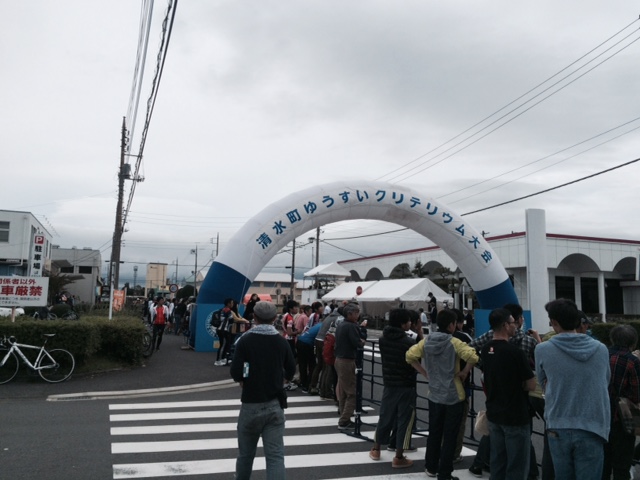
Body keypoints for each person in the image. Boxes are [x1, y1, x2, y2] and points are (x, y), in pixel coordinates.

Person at [535, 298, 610, 480]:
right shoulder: (601, 349)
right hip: (593, 425)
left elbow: (542, 381)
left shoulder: (543, 349)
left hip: (558, 423)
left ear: (554, 322)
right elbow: (605, 381)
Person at [406, 308, 479, 480]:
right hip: (454, 394)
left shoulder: (427, 341)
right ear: (452, 325)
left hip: (434, 393)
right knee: (450, 435)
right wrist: (464, 372)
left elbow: (409, 356)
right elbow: (473, 357)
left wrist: (425, 373)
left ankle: (430, 466)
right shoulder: (455, 342)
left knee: (434, 432)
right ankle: (445, 473)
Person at [230, 301, 296, 480]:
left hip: (251, 402)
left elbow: (236, 371)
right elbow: (291, 368)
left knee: (245, 455)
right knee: (275, 456)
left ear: (254, 317)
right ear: (274, 318)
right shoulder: (281, 342)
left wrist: (244, 379)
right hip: (275, 403)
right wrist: (283, 380)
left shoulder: (245, 340)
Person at [481, 308, 536, 480]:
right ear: (505, 325)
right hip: (515, 415)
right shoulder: (516, 352)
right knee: (517, 465)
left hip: (494, 413)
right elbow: (531, 384)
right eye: (513, 323)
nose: (515, 326)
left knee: (497, 462)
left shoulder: (486, 349)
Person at [368, 308, 416, 469]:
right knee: (404, 420)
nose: (410, 323)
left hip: (389, 383)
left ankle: (376, 449)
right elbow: (416, 359)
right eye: (408, 321)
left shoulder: (383, 339)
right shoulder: (409, 342)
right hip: (406, 384)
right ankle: (399, 456)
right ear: (402, 324)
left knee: (385, 416)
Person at [602, 324, 640, 480]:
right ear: (633, 342)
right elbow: (637, 394)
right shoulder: (632, 361)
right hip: (623, 418)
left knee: (603, 464)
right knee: (622, 465)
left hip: (601, 416)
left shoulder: (601, 355)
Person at [335, 302, 366, 430]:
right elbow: (358, 343)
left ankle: (344, 417)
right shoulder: (351, 326)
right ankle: (344, 420)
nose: (358, 315)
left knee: (343, 391)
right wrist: (362, 340)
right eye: (356, 313)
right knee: (352, 392)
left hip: (339, 359)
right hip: (347, 361)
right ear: (350, 314)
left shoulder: (341, 324)